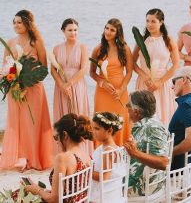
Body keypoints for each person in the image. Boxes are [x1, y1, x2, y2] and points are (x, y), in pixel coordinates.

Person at [0, 10, 53, 171]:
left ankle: (34, 160)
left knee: (33, 124)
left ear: (27, 23)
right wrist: (11, 80)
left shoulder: (36, 42)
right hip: (15, 89)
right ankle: (19, 158)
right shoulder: (9, 42)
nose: (16, 25)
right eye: (14, 22)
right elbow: (5, 66)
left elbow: (44, 68)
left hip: (33, 89)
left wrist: (29, 80)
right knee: (16, 124)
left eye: (19, 22)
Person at [22, 113, 93, 202]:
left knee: (17, 196)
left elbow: (54, 199)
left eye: (56, 137)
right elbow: (70, 190)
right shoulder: (87, 155)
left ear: (65, 135)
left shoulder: (62, 158)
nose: (56, 141)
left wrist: (38, 190)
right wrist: (37, 188)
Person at [51, 18, 92, 154]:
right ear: (63, 31)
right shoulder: (56, 49)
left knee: (78, 117)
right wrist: (62, 85)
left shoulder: (82, 48)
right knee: (63, 118)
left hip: (77, 86)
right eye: (70, 30)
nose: (73, 33)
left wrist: (69, 84)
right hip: (61, 87)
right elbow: (52, 70)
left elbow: (83, 70)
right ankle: (63, 150)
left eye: (75, 30)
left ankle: (81, 151)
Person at [90, 18, 133, 146]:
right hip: (102, 93)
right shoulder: (98, 49)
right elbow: (92, 73)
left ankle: (120, 152)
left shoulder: (124, 49)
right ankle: (101, 155)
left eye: (112, 30)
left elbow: (129, 72)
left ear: (117, 33)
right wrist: (102, 83)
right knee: (101, 123)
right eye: (107, 28)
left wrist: (121, 90)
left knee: (120, 122)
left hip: (119, 92)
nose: (108, 32)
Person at [133, 8, 179, 125]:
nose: (149, 24)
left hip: (162, 84)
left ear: (161, 22)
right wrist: (143, 76)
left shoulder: (168, 40)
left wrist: (160, 82)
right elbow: (132, 63)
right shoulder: (141, 40)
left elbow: (176, 65)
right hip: (145, 83)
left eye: (153, 21)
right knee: (143, 116)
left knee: (161, 114)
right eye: (147, 21)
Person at [124, 90, 169, 198]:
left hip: (142, 187)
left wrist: (135, 153)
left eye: (128, 105)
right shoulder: (147, 123)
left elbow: (164, 162)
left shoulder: (152, 128)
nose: (126, 107)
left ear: (136, 111)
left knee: (99, 188)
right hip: (140, 180)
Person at [91, 112, 125, 202]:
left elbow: (104, 177)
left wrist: (87, 170)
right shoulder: (110, 147)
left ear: (109, 130)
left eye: (97, 129)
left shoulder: (108, 151)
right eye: (93, 128)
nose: (93, 131)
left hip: (106, 196)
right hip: (111, 191)